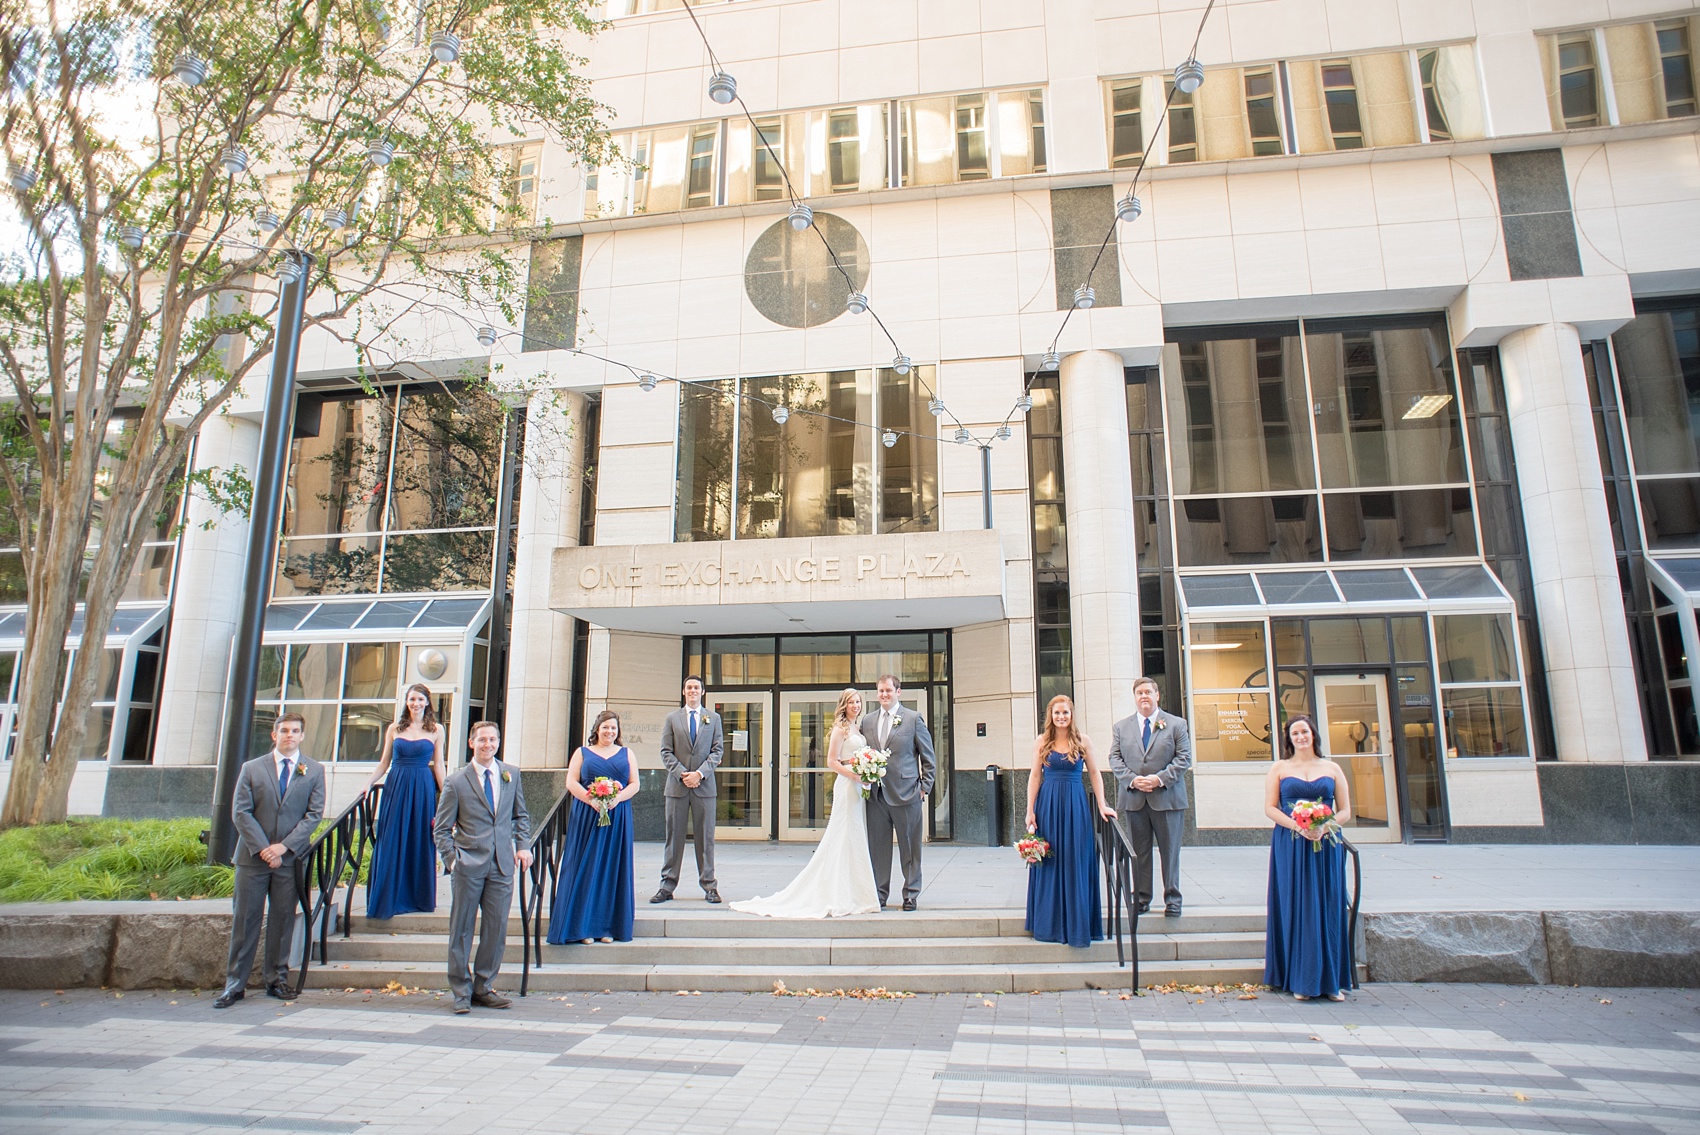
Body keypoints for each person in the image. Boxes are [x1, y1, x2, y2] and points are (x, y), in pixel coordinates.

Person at [732, 689, 880, 918]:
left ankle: (856, 891)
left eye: (858, 701)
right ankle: (838, 891)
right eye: (851, 702)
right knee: (844, 834)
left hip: (860, 786)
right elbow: (832, 761)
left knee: (855, 834)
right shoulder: (840, 730)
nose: (856, 705)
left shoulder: (858, 728)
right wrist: (853, 775)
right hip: (848, 784)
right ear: (844, 705)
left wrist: (867, 771)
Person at [214, 713, 325, 1008]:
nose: (290, 735)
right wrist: (264, 848)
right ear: (274, 735)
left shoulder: (313, 770)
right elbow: (241, 812)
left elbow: (313, 815)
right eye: (285, 730)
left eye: (296, 731)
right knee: (245, 921)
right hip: (253, 858)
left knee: (282, 920)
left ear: (302, 736)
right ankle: (235, 984)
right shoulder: (252, 768)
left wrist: (283, 847)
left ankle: (277, 979)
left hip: (288, 860)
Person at [434, 720, 532, 1014]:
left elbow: (521, 816)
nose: (488, 744)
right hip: (468, 864)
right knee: (461, 929)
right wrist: (453, 860)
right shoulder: (456, 781)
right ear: (471, 743)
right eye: (482, 740)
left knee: (496, 928)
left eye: (493, 739)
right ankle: (461, 991)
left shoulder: (510, 774)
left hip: (502, 864)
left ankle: (484, 986)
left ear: (498, 742)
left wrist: (523, 846)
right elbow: (441, 829)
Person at [1263, 714, 1356, 1002]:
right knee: (1297, 906)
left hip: (1326, 844)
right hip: (1290, 844)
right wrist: (1300, 827)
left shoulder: (1332, 768)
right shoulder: (1279, 768)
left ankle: (1331, 983)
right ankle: (1301, 980)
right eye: (1294, 733)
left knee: (1328, 905)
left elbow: (1345, 811)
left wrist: (1322, 827)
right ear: (1289, 739)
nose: (1300, 737)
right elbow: (1270, 808)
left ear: (1313, 734)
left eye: (1304, 731)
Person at [1024, 695, 1118, 947]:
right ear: (1050, 715)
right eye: (1057, 713)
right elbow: (1034, 776)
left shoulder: (1083, 741)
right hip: (1049, 806)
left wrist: (1102, 804)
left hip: (1075, 806)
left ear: (1072, 714)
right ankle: (1049, 925)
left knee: (1076, 859)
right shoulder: (1042, 741)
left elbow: (1096, 773)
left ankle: (1077, 925)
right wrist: (1029, 810)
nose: (1061, 717)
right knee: (1051, 861)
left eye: (1065, 712)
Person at [548, 710, 638, 944]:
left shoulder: (627, 753)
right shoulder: (582, 753)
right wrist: (592, 800)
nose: (609, 731)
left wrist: (616, 799)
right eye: (606, 727)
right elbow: (571, 782)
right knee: (585, 867)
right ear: (597, 729)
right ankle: (581, 927)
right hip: (587, 816)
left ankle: (606, 927)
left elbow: (635, 784)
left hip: (617, 818)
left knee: (610, 869)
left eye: (614, 728)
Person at [1108, 676, 1193, 916]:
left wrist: (1159, 779)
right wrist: (1133, 780)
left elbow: (1184, 758)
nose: (1144, 696)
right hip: (1135, 799)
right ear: (1134, 698)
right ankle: (1142, 898)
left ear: (1157, 696)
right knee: (1140, 852)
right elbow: (1114, 758)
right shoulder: (1121, 727)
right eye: (1139, 693)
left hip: (1167, 799)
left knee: (1170, 852)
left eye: (1148, 692)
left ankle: (1173, 899)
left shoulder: (1176, 724)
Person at [364, 683, 446, 919]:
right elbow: (383, 763)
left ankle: (418, 898)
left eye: (420, 699)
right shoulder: (394, 729)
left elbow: (439, 765)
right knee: (392, 838)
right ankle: (389, 898)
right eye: (412, 699)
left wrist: (449, 794)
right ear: (407, 702)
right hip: (396, 786)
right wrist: (368, 784)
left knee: (419, 838)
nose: (416, 703)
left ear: (427, 702)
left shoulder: (437, 730)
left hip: (422, 787)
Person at [859, 675, 935, 910]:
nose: (884, 695)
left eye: (888, 691)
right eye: (880, 691)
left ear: (898, 692)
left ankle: (911, 894)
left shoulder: (912, 719)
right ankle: (879, 894)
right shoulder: (868, 721)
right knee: (878, 850)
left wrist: (925, 787)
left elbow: (928, 756)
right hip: (876, 796)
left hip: (907, 794)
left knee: (910, 849)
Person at [652, 675, 724, 905]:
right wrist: (683, 773)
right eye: (689, 687)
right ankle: (667, 886)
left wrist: (699, 774)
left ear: (702, 692)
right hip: (677, 787)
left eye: (696, 687)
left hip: (704, 787)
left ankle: (710, 886)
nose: (692, 691)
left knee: (706, 839)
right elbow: (666, 751)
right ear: (684, 691)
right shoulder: (672, 718)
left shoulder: (713, 718)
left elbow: (718, 751)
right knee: (674, 838)